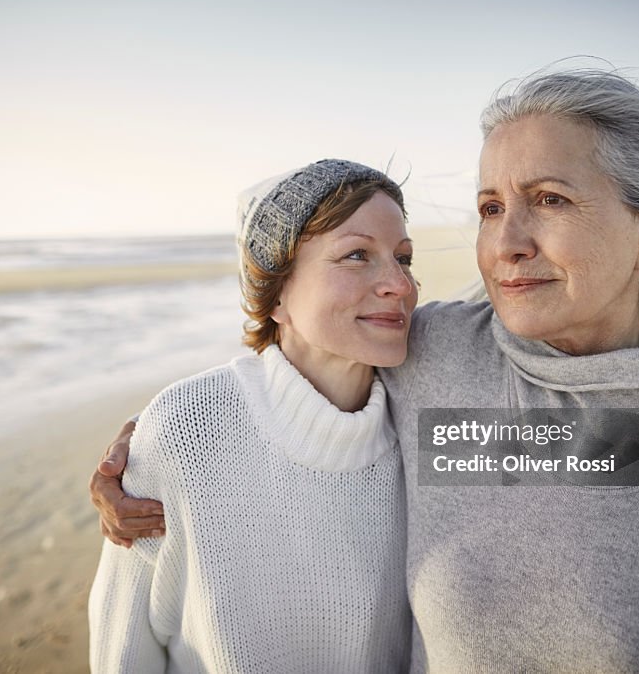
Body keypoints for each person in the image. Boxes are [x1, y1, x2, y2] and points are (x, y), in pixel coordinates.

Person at [91, 35, 639, 671]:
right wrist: (162, 447)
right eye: (489, 209)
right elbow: (309, 348)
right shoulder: (440, 361)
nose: (507, 245)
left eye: (550, 199)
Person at [88, 159, 417, 673]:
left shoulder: (426, 421)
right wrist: (148, 442)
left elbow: (582, 448)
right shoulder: (184, 428)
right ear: (276, 295)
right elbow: (123, 642)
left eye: (404, 258)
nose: (400, 284)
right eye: (357, 255)